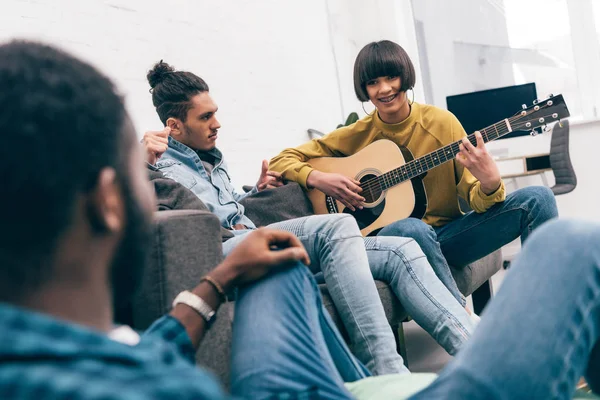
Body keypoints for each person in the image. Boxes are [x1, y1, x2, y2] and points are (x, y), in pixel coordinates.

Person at [0, 39, 598, 400]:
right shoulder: (158, 388)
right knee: (571, 244)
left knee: (281, 265)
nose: (385, 94)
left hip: (255, 264)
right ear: (109, 201)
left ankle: (387, 373)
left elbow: (152, 348)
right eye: (136, 172)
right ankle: (425, 371)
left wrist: (216, 281)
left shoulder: (105, 356)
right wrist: (314, 176)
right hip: (362, 234)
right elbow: (289, 161)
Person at [142, 61, 479, 371]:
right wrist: (141, 163)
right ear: (174, 125)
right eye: (205, 118)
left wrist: (253, 192)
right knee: (338, 226)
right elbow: (149, 217)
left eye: (214, 113)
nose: (217, 123)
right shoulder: (158, 165)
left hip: (253, 237)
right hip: (226, 253)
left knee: (400, 250)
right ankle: (386, 370)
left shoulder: (211, 158)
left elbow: (226, 207)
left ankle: (476, 353)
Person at [269, 40, 559, 308]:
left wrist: (490, 182)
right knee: (410, 228)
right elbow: (281, 160)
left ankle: (549, 309)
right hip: (396, 242)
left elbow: (476, 199)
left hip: (449, 237)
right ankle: (462, 322)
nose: (384, 89)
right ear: (364, 89)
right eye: (373, 82)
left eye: (391, 78)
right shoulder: (357, 134)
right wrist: (320, 179)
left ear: (404, 77)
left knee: (539, 198)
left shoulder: (442, 124)